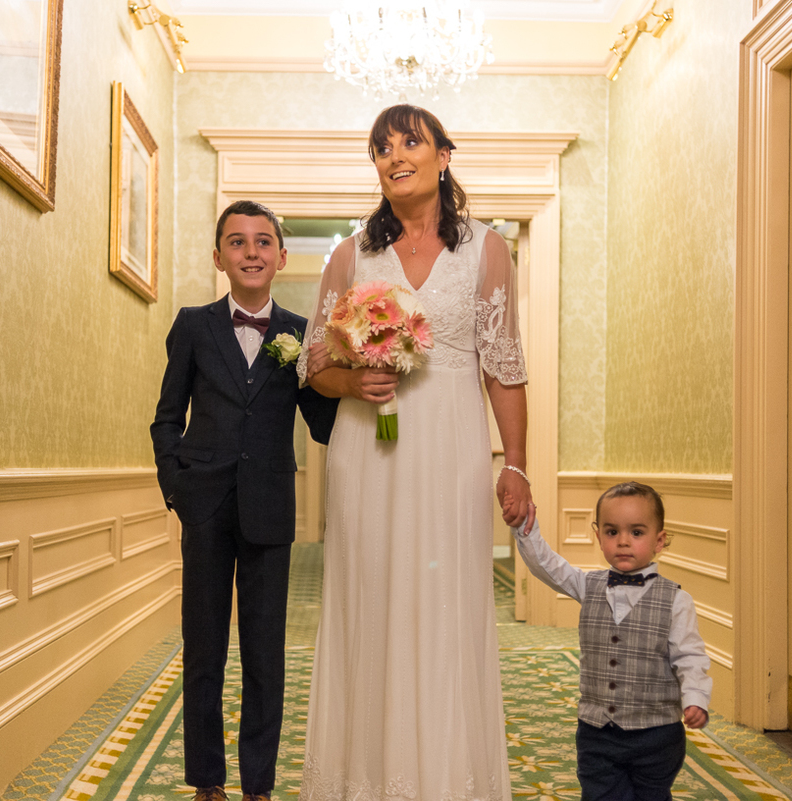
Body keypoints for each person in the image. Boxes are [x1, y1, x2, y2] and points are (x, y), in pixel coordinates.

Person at [296, 104, 532, 801]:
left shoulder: (487, 248)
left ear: (443, 156)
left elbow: (504, 365)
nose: (394, 154)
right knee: (370, 603)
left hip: (453, 447)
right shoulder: (350, 255)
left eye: (409, 141)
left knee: (449, 603)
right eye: (381, 147)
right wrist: (354, 377)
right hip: (370, 449)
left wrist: (513, 462)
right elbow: (314, 364)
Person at [150, 200, 340, 801]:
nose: (251, 252)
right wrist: (177, 484)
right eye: (238, 242)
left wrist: (367, 381)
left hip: (269, 509)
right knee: (204, 648)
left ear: (281, 257)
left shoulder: (300, 333)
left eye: (263, 242)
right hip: (203, 507)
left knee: (265, 653)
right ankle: (207, 779)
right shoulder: (192, 324)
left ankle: (258, 782)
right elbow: (166, 417)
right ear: (218, 257)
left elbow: (321, 422)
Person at [511, 482, 712, 801]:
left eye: (636, 532)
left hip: (657, 734)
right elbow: (547, 566)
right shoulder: (587, 585)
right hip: (597, 732)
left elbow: (689, 657)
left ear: (659, 540)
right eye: (611, 531)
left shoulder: (677, 600)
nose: (622, 541)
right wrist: (524, 527)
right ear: (598, 536)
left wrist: (695, 697)